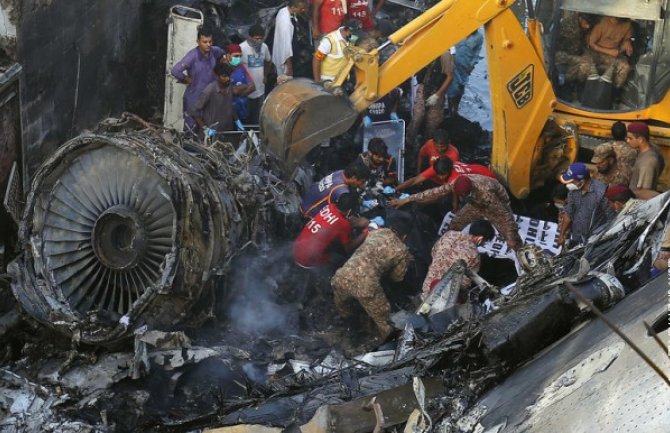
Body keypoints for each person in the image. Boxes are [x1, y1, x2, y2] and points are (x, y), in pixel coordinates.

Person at [331, 215, 413, 339]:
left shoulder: (376, 232)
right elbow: (397, 278)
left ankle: (350, 325)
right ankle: (391, 343)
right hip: (366, 287)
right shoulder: (402, 250)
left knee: (343, 304)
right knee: (384, 320)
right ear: (405, 237)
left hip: (341, 276)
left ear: (391, 227)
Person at [391, 175, 523, 251]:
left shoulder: (486, 194)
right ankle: (444, 249)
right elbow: (435, 192)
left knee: (511, 240)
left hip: (494, 203)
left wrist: (510, 232)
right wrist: (408, 199)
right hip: (474, 203)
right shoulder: (457, 183)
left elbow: (504, 215)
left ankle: (522, 255)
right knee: (455, 225)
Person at [171, 27, 225, 133]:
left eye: (210, 41)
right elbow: (175, 71)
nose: (208, 45)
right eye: (205, 42)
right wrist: (186, 79)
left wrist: (223, 60)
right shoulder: (192, 56)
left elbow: (223, 54)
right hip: (194, 98)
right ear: (198, 42)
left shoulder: (215, 51)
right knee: (190, 130)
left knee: (207, 129)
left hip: (209, 99)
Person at [293, 192, 368, 270]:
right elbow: (348, 248)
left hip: (296, 248)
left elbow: (335, 223)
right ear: (349, 211)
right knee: (342, 260)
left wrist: (354, 223)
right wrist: (365, 232)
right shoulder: (344, 224)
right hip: (307, 261)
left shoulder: (329, 206)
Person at [422, 220, 494, 298]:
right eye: (484, 241)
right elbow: (465, 282)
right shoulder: (474, 255)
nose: (483, 244)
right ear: (480, 238)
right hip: (443, 297)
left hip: (427, 287)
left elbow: (433, 252)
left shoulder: (449, 234)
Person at [407, 48, 454, 148]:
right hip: (424, 87)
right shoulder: (427, 49)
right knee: (417, 116)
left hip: (437, 90)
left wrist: (437, 95)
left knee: (432, 122)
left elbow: (450, 77)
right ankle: (409, 142)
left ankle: (427, 144)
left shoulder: (445, 54)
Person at [557, 162, 611, 247]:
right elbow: (568, 213)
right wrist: (561, 235)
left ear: (582, 181)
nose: (568, 184)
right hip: (575, 237)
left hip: (593, 242)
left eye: (571, 181)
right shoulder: (573, 191)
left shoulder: (601, 193)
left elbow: (610, 219)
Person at [300, 162, 371, 219]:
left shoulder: (340, 173)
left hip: (305, 203)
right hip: (308, 216)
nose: (362, 185)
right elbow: (343, 213)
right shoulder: (341, 191)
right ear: (353, 178)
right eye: (362, 182)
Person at [580, 15, 634, 88]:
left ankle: (613, 91)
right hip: (596, 52)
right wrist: (609, 51)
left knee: (625, 67)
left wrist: (628, 42)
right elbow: (591, 43)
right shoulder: (602, 22)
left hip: (613, 55)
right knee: (584, 64)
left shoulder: (627, 24)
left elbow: (627, 39)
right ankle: (581, 88)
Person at [192, 63, 244, 135]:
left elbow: (230, 107)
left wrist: (237, 122)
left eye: (229, 76)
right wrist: (205, 129)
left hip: (227, 132)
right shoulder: (209, 90)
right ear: (217, 76)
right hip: (212, 134)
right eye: (224, 76)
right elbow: (194, 112)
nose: (228, 79)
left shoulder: (229, 87)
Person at [397, 157, 494, 192]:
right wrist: (398, 188)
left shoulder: (454, 178)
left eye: (442, 175)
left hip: (487, 179)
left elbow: (437, 194)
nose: (439, 177)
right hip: (479, 169)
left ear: (449, 170)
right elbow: (416, 179)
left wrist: (409, 200)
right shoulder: (439, 166)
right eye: (438, 174)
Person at [240, 25, 272, 124]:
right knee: (246, 117)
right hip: (247, 91)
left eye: (261, 39)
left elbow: (268, 61)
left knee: (258, 118)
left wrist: (265, 75)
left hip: (260, 90)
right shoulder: (242, 48)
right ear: (250, 37)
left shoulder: (264, 47)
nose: (259, 41)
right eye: (256, 39)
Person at [448, 29, 484, 114]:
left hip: (465, 66)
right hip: (453, 63)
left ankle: (456, 108)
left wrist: (472, 65)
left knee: (461, 85)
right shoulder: (459, 30)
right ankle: (450, 110)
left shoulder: (479, 37)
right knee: (451, 87)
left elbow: (476, 53)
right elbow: (450, 44)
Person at [272, 0, 309, 80]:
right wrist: (289, 68)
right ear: (293, 7)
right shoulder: (285, 23)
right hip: (288, 61)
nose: (303, 10)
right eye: (301, 9)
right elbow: (286, 48)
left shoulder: (285, 11)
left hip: (293, 52)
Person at [627, 121, 665, 198]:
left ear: (640, 140)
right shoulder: (646, 151)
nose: (627, 141)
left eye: (630, 138)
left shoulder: (648, 162)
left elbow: (645, 192)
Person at [225, 43, 256, 124]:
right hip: (229, 115)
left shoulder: (241, 67)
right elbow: (232, 91)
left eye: (240, 56)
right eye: (236, 56)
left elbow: (253, 86)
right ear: (228, 56)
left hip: (243, 111)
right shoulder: (222, 69)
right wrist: (245, 86)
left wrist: (238, 91)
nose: (238, 58)